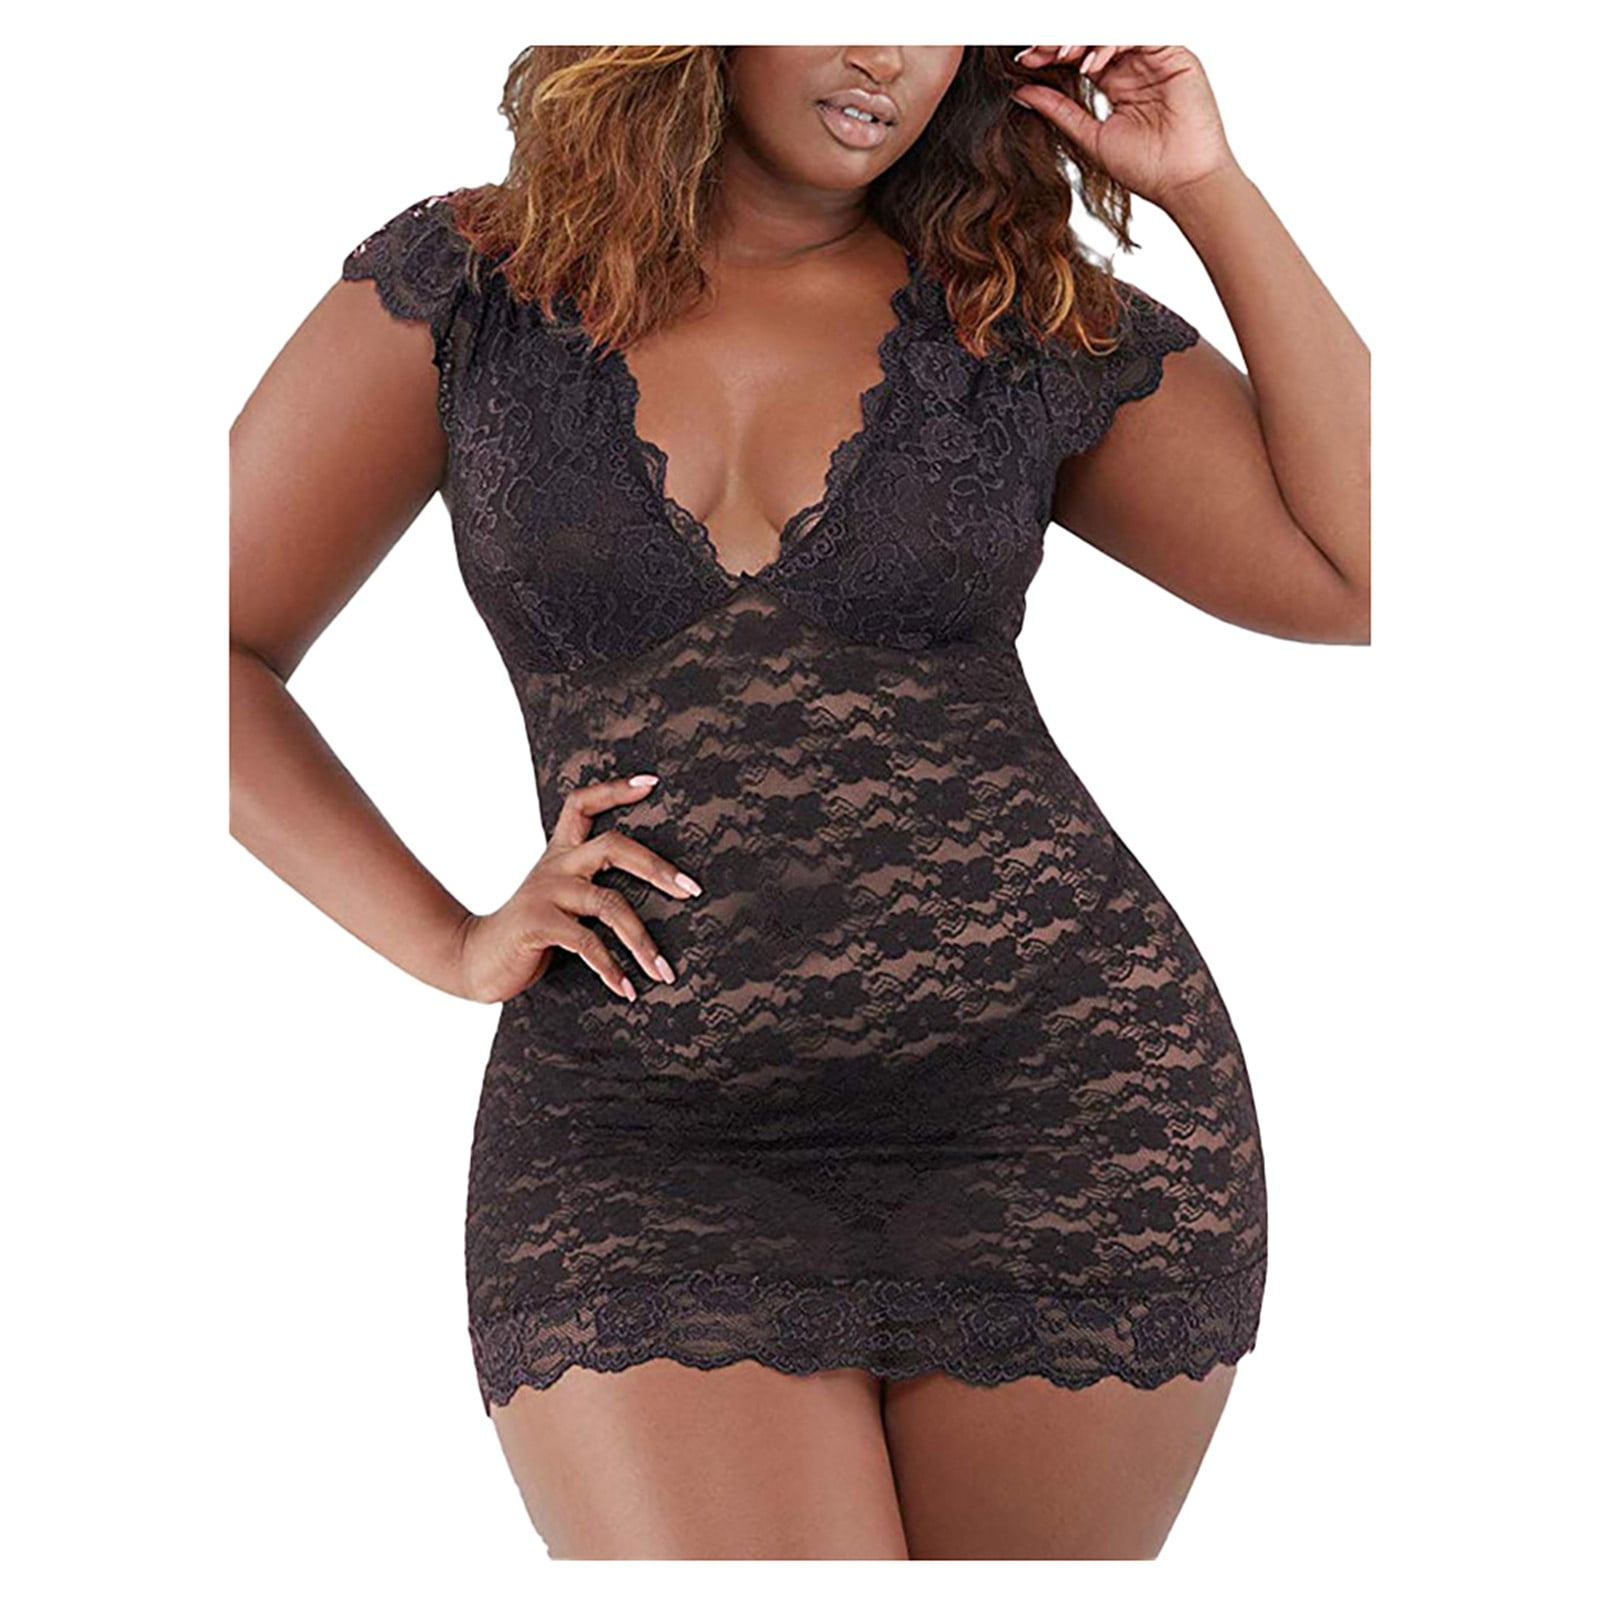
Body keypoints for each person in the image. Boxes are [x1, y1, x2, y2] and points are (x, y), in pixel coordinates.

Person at [229, 44, 1369, 1559]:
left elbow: (1366, 570)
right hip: (639, 1131)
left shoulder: (1010, 314)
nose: (885, 52)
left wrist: (1207, 189)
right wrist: (448, 941)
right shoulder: (475, 289)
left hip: (1063, 1112)